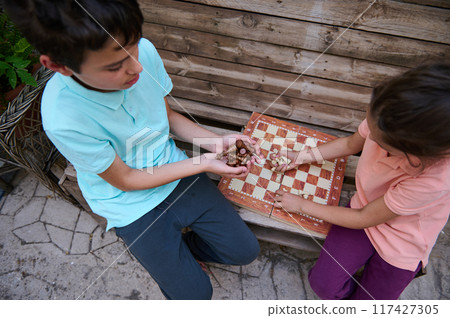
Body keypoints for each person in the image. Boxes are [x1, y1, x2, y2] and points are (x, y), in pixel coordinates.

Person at [5, 0, 260, 300]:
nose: (137, 66)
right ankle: (178, 265)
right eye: (115, 66)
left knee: (245, 250)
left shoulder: (144, 54)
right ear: (58, 66)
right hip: (127, 204)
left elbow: (166, 116)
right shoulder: (63, 118)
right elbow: (125, 179)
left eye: (133, 45)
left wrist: (215, 143)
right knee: (195, 295)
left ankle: (186, 253)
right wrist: (204, 162)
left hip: (171, 167)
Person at [270, 64, 450, 300]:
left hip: (403, 241)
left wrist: (301, 205)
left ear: (414, 155)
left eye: (380, 141)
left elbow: (364, 217)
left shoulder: (436, 178)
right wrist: (300, 157)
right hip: (362, 210)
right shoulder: (385, 116)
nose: (369, 136)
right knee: (323, 285)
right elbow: (349, 144)